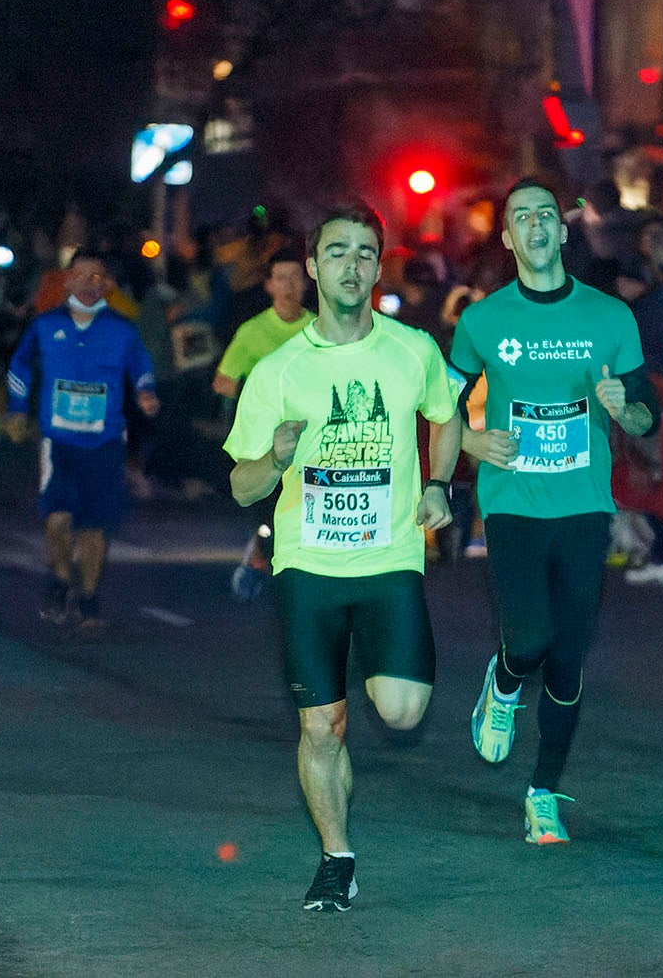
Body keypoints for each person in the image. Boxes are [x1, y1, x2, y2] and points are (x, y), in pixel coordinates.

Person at [224, 203, 461, 913]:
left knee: (400, 710)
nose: (350, 265)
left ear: (377, 264)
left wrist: (440, 484)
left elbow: (447, 418)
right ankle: (336, 856)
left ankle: (344, 748)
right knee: (319, 725)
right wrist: (276, 455)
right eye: (336, 253)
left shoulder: (411, 349)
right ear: (313, 264)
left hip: (388, 558)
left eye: (364, 253)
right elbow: (241, 485)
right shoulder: (278, 368)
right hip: (308, 565)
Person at [448, 177, 658, 844]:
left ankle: (543, 791)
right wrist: (472, 439)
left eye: (545, 214)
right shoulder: (483, 320)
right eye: (520, 217)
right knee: (531, 638)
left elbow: (647, 412)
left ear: (563, 231)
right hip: (511, 502)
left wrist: (625, 408)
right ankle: (504, 680)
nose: (535, 225)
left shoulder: (609, 317)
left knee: (569, 658)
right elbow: (440, 404)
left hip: (583, 504)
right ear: (508, 237)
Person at [5, 249, 160, 633]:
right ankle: (60, 580)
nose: (92, 284)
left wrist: (145, 392)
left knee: (94, 525)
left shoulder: (121, 329)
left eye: (99, 277)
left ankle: (89, 597)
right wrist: (16, 407)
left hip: (105, 441)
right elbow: (20, 364)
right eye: (84, 276)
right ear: (68, 281)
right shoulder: (46, 325)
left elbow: (141, 366)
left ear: (106, 284)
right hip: (58, 442)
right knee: (57, 522)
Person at [213, 249, 314, 596]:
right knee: (273, 507)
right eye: (281, 278)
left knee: (302, 505)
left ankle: (280, 564)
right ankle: (260, 555)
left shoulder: (319, 328)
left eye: (295, 277)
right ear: (269, 286)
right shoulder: (252, 331)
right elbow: (223, 381)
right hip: (266, 439)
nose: (289, 285)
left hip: (311, 437)